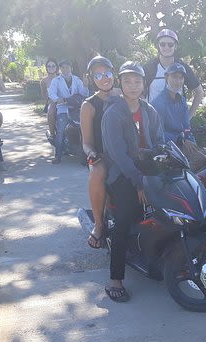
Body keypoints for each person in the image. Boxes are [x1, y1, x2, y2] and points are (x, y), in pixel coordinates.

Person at [101, 61, 164, 302]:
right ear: (121, 84)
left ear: (144, 84)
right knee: (125, 218)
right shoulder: (113, 114)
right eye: (127, 81)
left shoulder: (149, 111)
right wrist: (139, 183)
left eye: (137, 81)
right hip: (122, 173)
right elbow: (118, 154)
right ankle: (115, 277)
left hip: (148, 170)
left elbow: (159, 141)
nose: (133, 85)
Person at [81, 55, 119, 249]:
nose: (104, 78)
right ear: (92, 79)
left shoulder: (124, 96)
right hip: (103, 156)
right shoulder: (88, 105)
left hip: (125, 153)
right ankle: (98, 223)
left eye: (107, 73)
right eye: (98, 75)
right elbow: (86, 142)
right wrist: (93, 155)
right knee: (98, 173)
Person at [143, 28, 204, 118]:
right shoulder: (149, 68)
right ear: (158, 46)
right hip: (154, 121)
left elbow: (199, 92)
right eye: (162, 44)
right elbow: (139, 92)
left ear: (175, 46)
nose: (166, 47)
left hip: (177, 121)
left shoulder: (182, 67)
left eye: (170, 44)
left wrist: (188, 117)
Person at [47, 60, 89, 164]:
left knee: (84, 129)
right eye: (63, 67)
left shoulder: (77, 80)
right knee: (61, 131)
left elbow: (84, 94)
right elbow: (51, 93)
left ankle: (85, 154)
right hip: (63, 108)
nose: (65, 69)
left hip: (76, 109)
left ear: (71, 68)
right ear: (60, 69)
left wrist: (85, 85)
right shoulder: (56, 80)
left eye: (67, 67)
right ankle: (58, 156)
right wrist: (58, 99)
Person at [150, 62, 195, 144]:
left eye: (181, 78)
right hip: (167, 146)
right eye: (174, 77)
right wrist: (180, 140)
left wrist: (189, 138)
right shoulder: (158, 102)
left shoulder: (182, 100)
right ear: (166, 77)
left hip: (183, 141)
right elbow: (159, 132)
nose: (178, 82)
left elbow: (186, 126)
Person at [40, 58, 59, 139]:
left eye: (53, 66)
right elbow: (43, 96)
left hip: (63, 101)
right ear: (46, 68)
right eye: (49, 66)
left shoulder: (61, 78)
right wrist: (50, 95)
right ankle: (52, 134)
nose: (51, 68)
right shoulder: (43, 81)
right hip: (52, 102)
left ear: (56, 67)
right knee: (50, 112)